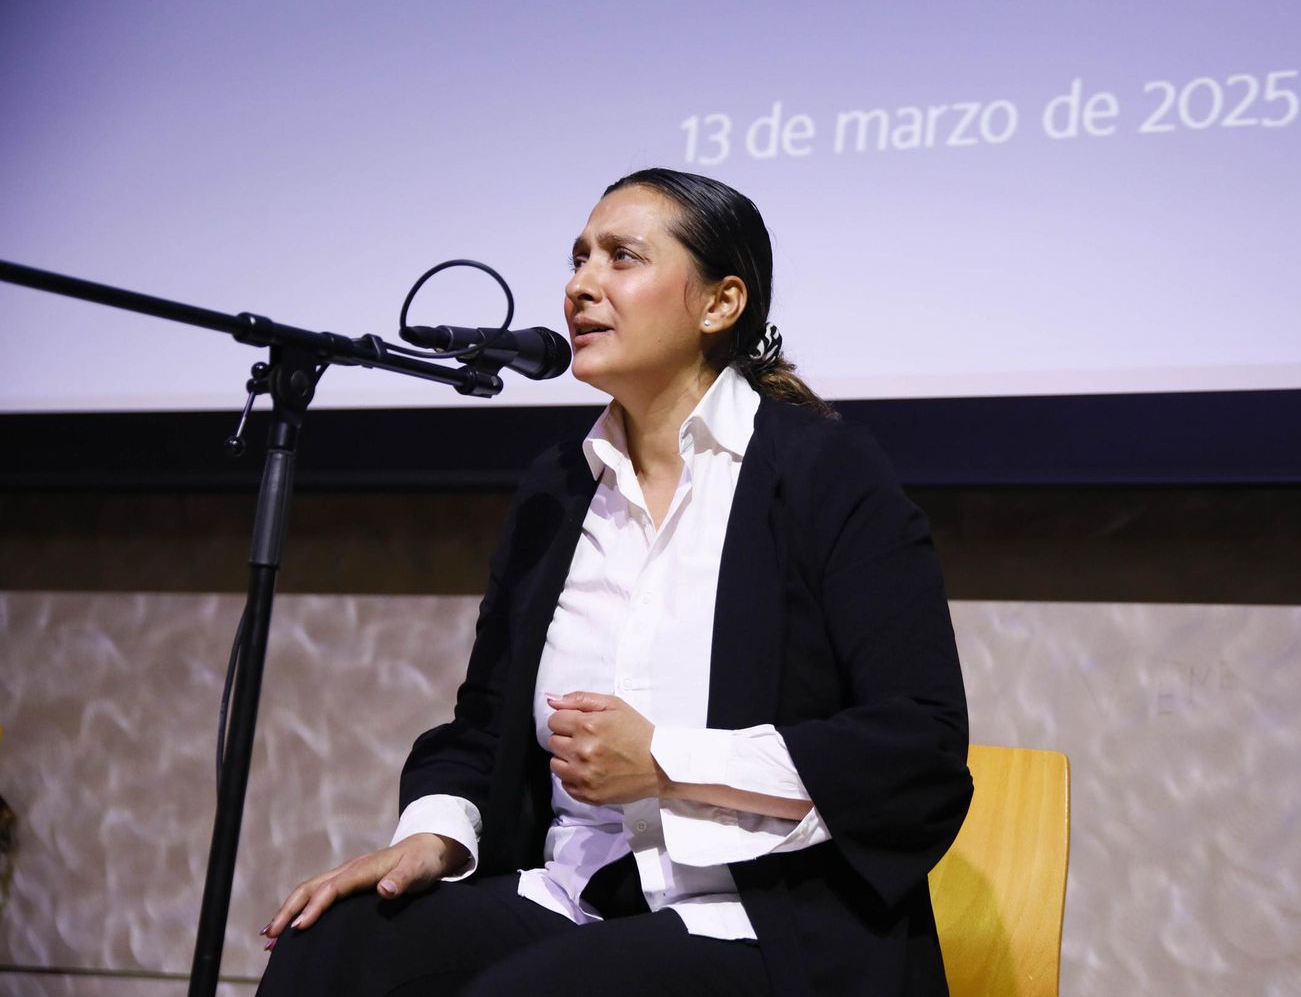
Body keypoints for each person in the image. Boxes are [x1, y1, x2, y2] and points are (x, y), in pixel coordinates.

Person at [258, 168, 972, 996]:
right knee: (334, 946)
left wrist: (664, 762)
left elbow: (916, 746)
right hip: (573, 899)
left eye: (621, 257)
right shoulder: (559, 488)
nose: (580, 285)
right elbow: (485, 725)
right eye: (578, 258)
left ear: (720, 303)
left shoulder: (823, 472)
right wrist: (436, 835)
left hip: (763, 919)